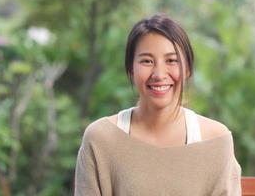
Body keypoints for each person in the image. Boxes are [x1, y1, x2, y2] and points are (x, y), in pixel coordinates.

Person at [74, 13, 241, 196]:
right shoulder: (100, 138)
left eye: (171, 61)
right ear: (131, 70)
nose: (159, 74)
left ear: (188, 69)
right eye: (147, 61)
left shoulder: (215, 140)